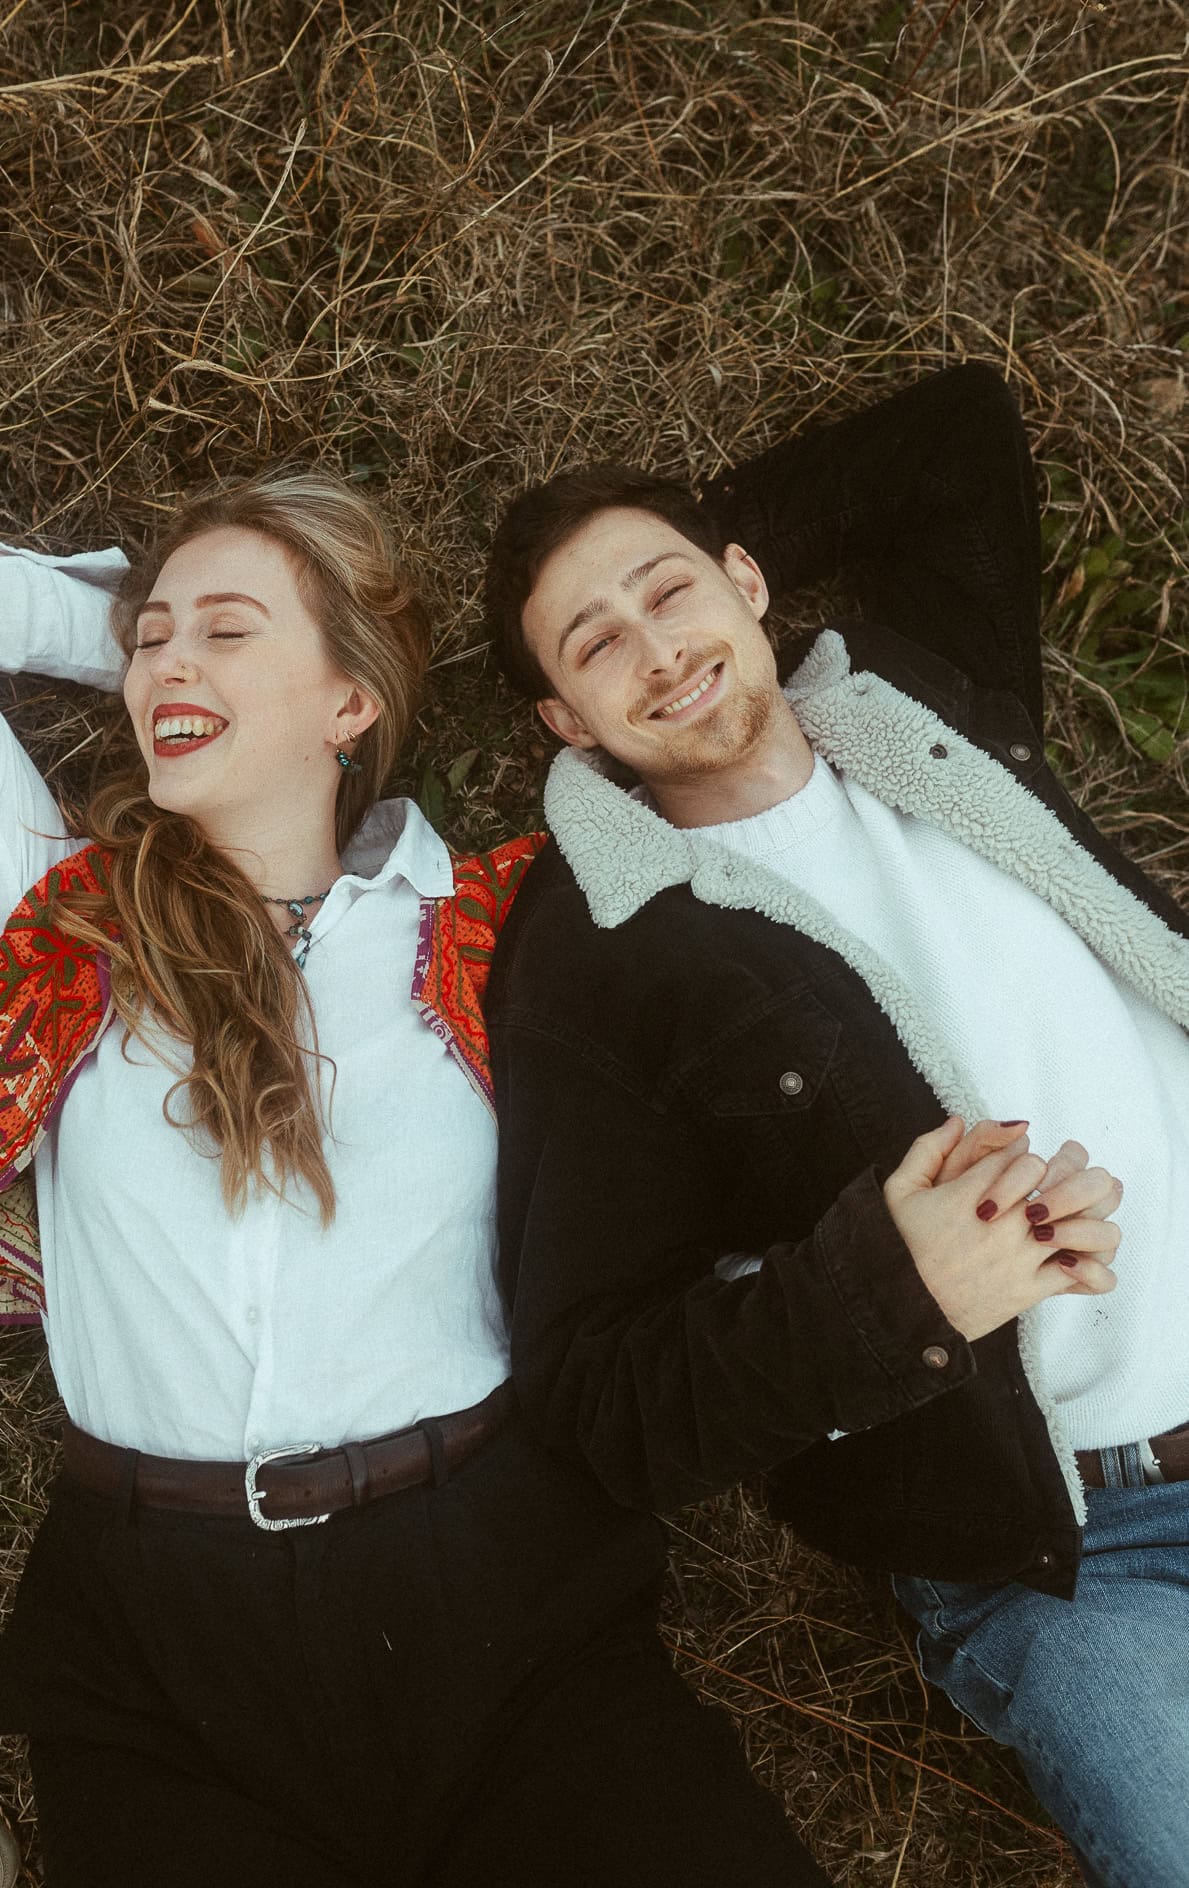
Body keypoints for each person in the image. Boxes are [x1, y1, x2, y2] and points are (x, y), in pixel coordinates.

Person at [0, 475, 831, 1888]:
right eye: (151, 638)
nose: (167, 660)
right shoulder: (61, 928)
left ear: (351, 703)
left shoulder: (509, 928)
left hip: (506, 1604)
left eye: (227, 632)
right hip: (162, 1644)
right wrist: (156, 634)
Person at [481, 362, 1189, 1888]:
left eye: (672, 595)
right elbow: (598, 1393)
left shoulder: (921, 687)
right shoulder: (597, 957)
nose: (654, 652)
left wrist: (673, 557)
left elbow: (959, 435)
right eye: (594, 645)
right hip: (1069, 1555)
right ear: (562, 718)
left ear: (750, 580)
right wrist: (891, 1291)